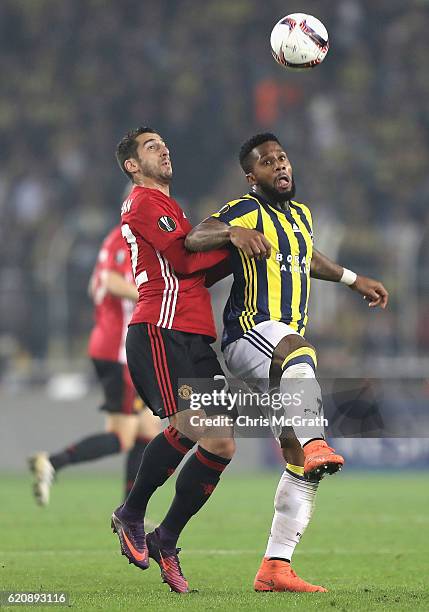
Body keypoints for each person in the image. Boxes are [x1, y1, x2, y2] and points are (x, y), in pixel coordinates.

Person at [185, 132, 389, 592]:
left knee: (299, 460)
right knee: (299, 350)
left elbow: (305, 256)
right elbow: (197, 237)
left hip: (279, 352)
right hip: (249, 334)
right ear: (251, 176)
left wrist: (354, 278)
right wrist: (232, 232)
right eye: (267, 162)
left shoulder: (300, 216)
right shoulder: (245, 209)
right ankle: (317, 438)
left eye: (282, 158)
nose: (279, 166)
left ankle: (275, 566)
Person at [111, 126, 243, 594]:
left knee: (221, 442)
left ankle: (165, 538)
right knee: (194, 422)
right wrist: (235, 238)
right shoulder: (145, 203)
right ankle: (131, 512)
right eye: (151, 146)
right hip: (160, 329)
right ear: (132, 164)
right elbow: (186, 263)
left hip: (190, 332)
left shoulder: (169, 206)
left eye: (165, 144)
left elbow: (194, 274)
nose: (164, 149)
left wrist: (237, 255)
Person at [29, 224, 160, 505]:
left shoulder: (118, 241)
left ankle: (130, 511)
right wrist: (147, 297)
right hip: (119, 352)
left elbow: (96, 286)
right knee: (122, 436)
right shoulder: (125, 240)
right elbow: (110, 281)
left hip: (119, 348)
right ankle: (53, 462)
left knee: (148, 429)